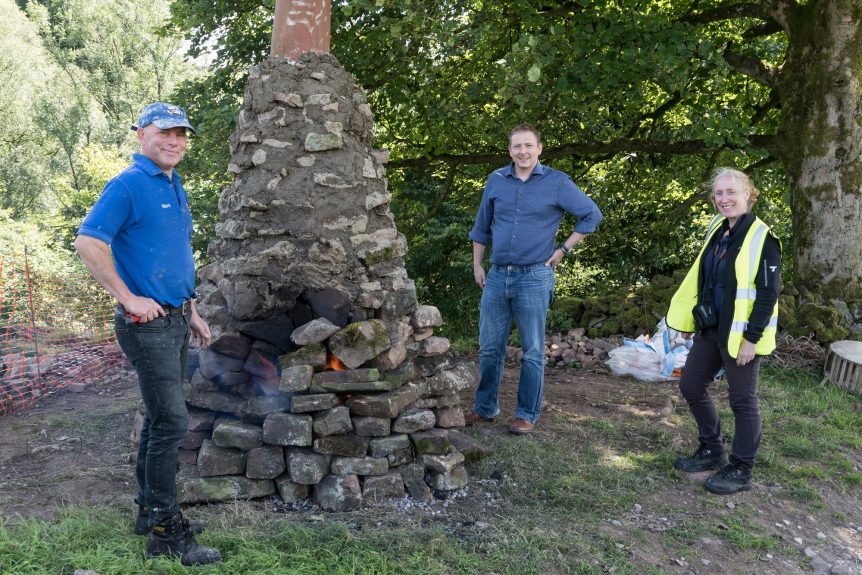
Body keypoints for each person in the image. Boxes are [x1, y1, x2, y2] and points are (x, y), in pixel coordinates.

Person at [74, 102, 221, 565]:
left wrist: (192, 309)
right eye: (164, 133)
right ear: (141, 135)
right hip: (147, 324)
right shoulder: (128, 185)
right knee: (173, 423)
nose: (174, 141)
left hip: (176, 318)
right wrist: (128, 297)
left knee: (162, 419)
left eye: (181, 134)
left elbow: (174, 254)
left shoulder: (174, 184)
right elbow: (88, 241)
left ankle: (146, 512)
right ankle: (164, 529)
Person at [466, 124, 602, 434]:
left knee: (532, 351)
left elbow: (591, 215)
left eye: (529, 145)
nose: (523, 151)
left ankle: (526, 414)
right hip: (497, 277)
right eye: (517, 147)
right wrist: (477, 264)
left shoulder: (556, 182)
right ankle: (485, 407)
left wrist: (564, 249)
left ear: (539, 148)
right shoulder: (497, 180)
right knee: (489, 348)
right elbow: (480, 226)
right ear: (509, 150)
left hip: (534, 277)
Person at [667, 168, 781, 495]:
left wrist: (751, 339)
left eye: (732, 192)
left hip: (742, 335)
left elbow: (767, 294)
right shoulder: (719, 230)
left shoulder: (763, 238)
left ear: (748, 194)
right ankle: (711, 448)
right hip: (712, 329)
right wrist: (694, 320)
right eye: (719, 193)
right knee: (690, 385)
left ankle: (742, 468)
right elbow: (707, 280)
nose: (725, 199)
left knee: (743, 401)